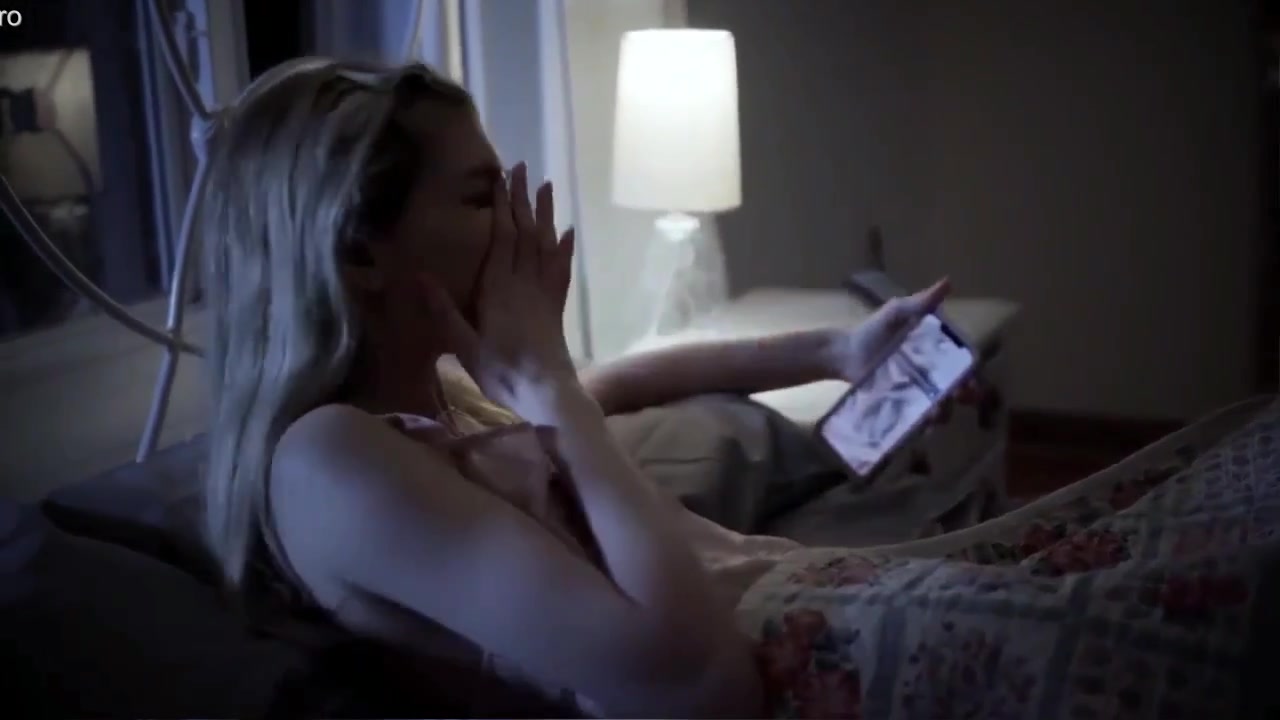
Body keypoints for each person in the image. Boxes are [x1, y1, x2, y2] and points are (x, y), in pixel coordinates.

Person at [199, 57, 960, 718]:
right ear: (360, 250)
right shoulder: (328, 458)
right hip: (801, 660)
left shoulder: (449, 391)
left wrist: (836, 350)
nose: (520, 225)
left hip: (823, 591)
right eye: (481, 198)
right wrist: (549, 383)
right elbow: (699, 689)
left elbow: (629, 379)